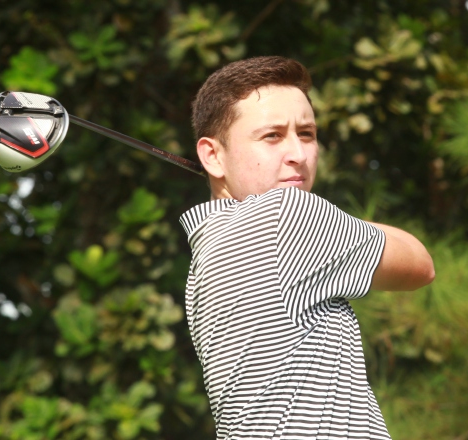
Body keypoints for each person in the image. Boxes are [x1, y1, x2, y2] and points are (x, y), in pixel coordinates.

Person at [179, 56, 435, 440]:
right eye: (272, 136)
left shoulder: (206, 252)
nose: (297, 153)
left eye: (307, 134)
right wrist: (340, 222)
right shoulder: (287, 214)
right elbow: (419, 264)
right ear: (212, 155)